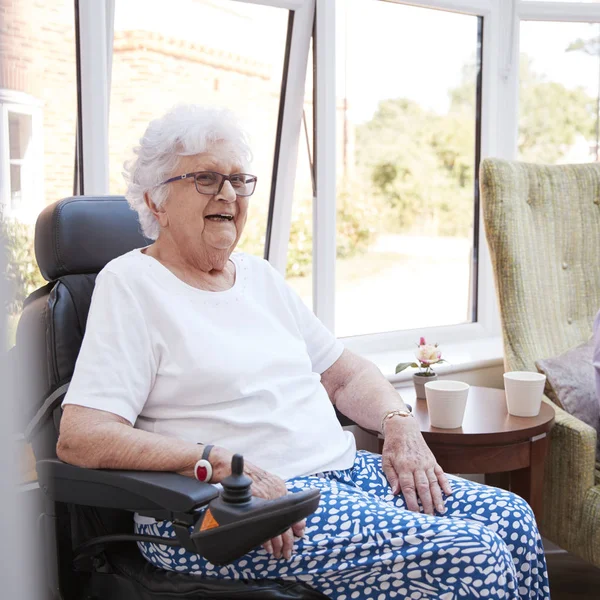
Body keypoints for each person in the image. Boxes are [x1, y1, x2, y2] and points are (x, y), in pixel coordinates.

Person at [56, 104, 549, 600]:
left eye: (237, 180)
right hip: (219, 512)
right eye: (206, 179)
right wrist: (217, 464)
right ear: (156, 201)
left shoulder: (259, 277)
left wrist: (399, 425)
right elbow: (81, 436)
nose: (228, 193)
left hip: (339, 475)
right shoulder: (131, 284)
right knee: (473, 553)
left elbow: (345, 375)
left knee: (513, 518)